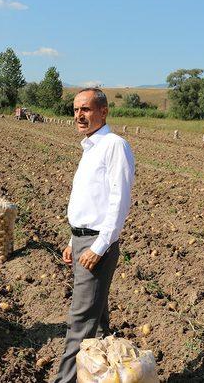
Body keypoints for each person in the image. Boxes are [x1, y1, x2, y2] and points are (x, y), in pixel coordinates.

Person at [54, 88, 135, 383]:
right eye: (76, 110)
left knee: (80, 323)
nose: (79, 115)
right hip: (82, 241)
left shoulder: (114, 145)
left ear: (103, 112)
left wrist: (99, 246)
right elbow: (92, 201)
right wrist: (73, 240)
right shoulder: (91, 147)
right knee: (97, 322)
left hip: (97, 244)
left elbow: (119, 200)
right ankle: (103, 377)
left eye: (86, 109)